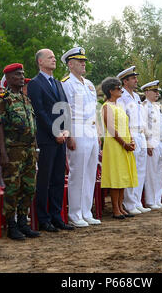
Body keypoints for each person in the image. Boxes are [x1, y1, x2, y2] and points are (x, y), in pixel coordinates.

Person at [27, 48, 74, 232]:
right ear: (40, 61)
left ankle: (56, 216)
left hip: (61, 137)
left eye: (54, 57)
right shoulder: (35, 84)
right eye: (50, 57)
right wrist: (55, 132)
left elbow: (65, 108)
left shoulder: (57, 83)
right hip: (47, 139)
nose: (54, 59)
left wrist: (66, 130)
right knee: (44, 180)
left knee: (57, 179)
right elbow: (39, 111)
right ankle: (43, 219)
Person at [0, 63, 41, 240]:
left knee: (29, 188)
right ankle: (11, 225)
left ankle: (23, 222)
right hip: (13, 151)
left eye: (23, 74)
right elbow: (0, 128)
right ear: (9, 78)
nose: (22, 77)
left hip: (28, 150)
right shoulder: (3, 99)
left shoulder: (25, 98)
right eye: (18, 75)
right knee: (13, 189)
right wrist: (3, 153)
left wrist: (35, 148)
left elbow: (32, 126)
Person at [60, 47, 100, 227]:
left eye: (84, 61)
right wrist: (68, 135)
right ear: (70, 64)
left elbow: (94, 110)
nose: (83, 63)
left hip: (91, 130)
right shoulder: (66, 83)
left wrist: (98, 133)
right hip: (77, 128)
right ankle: (75, 214)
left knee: (90, 173)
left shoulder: (89, 83)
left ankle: (86, 211)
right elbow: (64, 110)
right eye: (79, 61)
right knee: (78, 173)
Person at [100, 77, 138, 219]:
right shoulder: (106, 106)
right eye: (118, 88)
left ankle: (121, 207)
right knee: (116, 176)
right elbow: (110, 128)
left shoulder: (118, 106)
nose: (121, 90)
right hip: (115, 145)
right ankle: (115, 208)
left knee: (122, 176)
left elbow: (126, 126)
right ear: (110, 91)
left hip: (125, 143)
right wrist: (123, 143)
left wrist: (131, 140)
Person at [116, 66, 150, 215]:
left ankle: (137, 201)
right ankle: (129, 203)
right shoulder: (122, 96)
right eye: (133, 78)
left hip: (140, 134)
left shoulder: (136, 97)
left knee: (141, 170)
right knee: (132, 170)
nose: (136, 80)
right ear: (125, 81)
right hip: (131, 134)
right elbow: (123, 118)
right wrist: (128, 138)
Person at [141, 80, 162, 210]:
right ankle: (151, 200)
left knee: (160, 172)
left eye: (158, 91)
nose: (157, 93)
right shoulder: (144, 107)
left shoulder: (157, 106)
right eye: (154, 91)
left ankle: (158, 199)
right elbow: (143, 126)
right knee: (151, 173)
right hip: (152, 141)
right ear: (147, 92)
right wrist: (147, 143)